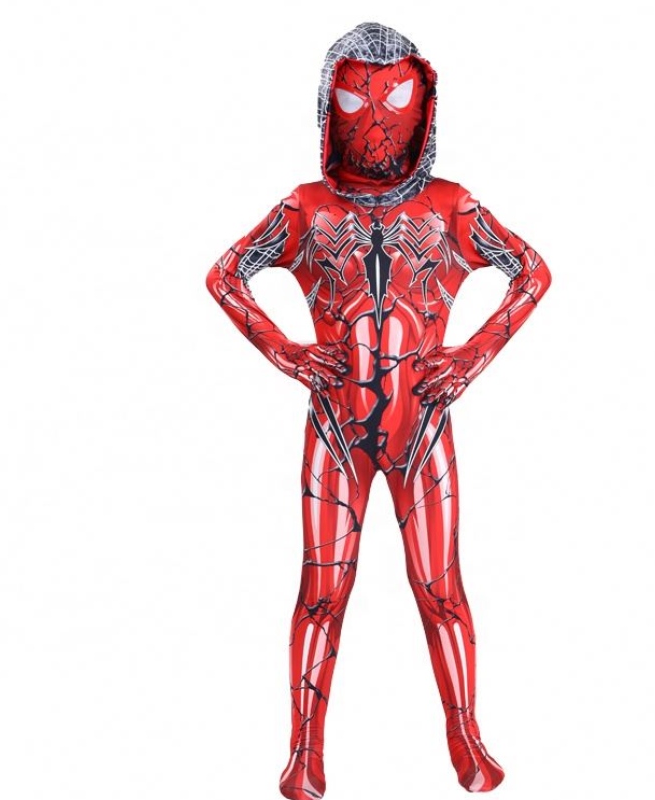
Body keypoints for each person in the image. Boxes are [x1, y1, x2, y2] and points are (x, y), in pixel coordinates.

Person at [206, 21, 552, 799]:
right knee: (321, 592)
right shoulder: (305, 209)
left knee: (440, 588)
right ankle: (303, 754)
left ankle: (466, 736)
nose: (374, 120)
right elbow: (224, 275)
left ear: (423, 103)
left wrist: (470, 358)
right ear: (328, 104)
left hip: (422, 425)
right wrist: (288, 353)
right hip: (334, 425)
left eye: (394, 98)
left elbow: (532, 270)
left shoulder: (451, 207)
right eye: (354, 98)